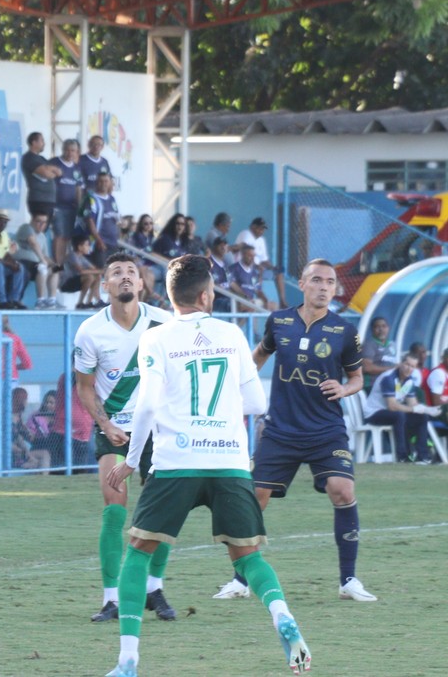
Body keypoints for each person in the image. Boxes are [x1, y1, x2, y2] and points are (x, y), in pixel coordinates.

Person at [104, 254, 311, 677]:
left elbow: (145, 408)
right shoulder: (232, 333)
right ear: (205, 295)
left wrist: (129, 462)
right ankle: (281, 616)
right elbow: (257, 403)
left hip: (176, 462)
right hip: (229, 461)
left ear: (169, 296)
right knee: (247, 556)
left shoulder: (156, 338)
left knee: (139, 553)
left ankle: (127, 661)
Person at [212, 258, 376, 604]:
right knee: (253, 500)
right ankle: (239, 579)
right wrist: (239, 388)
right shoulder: (279, 321)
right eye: (316, 280)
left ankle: (349, 580)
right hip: (281, 429)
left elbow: (357, 378)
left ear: (334, 289)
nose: (323, 287)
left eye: (329, 282)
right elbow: (258, 356)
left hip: (326, 429)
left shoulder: (345, 331)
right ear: (301, 284)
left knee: (343, 490)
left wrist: (344, 389)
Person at [74, 253, 175, 624]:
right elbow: (84, 388)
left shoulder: (164, 323)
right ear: (105, 286)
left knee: (163, 509)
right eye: (116, 272)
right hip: (115, 430)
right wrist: (104, 424)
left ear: (143, 283)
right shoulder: (89, 331)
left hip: (159, 430)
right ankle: (111, 599)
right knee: (114, 507)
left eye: (132, 271)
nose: (125, 277)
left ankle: (153, 589)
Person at [362, 353, 435, 464]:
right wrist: (414, 409)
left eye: (412, 366)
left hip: (391, 413)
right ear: (400, 364)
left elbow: (413, 404)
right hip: (374, 413)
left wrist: (425, 410)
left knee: (422, 417)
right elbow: (392, 406)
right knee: (400, 415)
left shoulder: (409, 380)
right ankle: (402, 457)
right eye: (407, 364)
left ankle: (423, 456)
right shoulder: (389, 378)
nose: (409, 368)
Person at [22, 132, 61, 256]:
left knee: (43, 230)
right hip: (38, 199)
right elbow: (47, 174)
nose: (44, 143)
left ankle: (41, 256)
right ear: (34, 142)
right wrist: (50, 170)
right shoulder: (29, 158)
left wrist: (51, 170)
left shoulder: (42, 159)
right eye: (42, 141)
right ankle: (33, 255)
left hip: (48, 200)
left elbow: (58, 171)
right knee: (37, 228)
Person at [234, 217, 287, 307]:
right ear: (253, 227)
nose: (261, 231)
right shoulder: (246, 234)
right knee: (259, 270)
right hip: (244, 266)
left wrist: (272, 267)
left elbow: (264, 260)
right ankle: (257, 297)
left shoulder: (261, 240)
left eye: (263, 229)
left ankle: (282, 300)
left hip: (257, 266)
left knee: (279, 272)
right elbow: (246, 256)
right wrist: (258, 266)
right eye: (259, 228)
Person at [13, 211, 60, 309]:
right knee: (42, 267)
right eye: (39, 221)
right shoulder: (26, 228)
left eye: (44, 222)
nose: (42, 225)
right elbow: (33, 243)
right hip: (24, 263)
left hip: (37, 264)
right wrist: (43, 260)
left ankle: (52, 300)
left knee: (57, 269)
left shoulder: (42, 236)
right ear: (32, 221)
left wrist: (54, 264)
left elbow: (45, 255)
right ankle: (40, 301)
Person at [50, 139, 83, 266]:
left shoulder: (76, 169)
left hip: (71, 209)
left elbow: (78, 189)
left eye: (73, 151)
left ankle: (62, 264)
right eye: (67, 150)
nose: (70, 153)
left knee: (67, 237)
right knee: (59, 235)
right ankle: (57, 264)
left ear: (77, 152)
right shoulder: (54, 163)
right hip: (57, 207)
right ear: (63, 150)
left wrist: (79, 208)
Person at [80, 172, 121, 268]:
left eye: (106, 181)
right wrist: (98, 240)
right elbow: (90, 221)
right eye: (101, 181)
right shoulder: (91, 199)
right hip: (100, 243)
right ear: (96, 183)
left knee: (114, 272)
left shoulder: (112, 199)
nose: (103, 183)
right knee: (101, 271)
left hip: (113, 242)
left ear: (110, 182)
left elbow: (116, 219)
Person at [228, 244, 276, 311]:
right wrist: (246, 298)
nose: (252, 258)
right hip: (238, 299)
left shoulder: (254, 272)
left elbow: (258, 290)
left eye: (253, 256)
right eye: (250, 256)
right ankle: (238, 322)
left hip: (251, 300)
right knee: (251, 306)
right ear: (243, 255)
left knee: (273, 306)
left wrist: (266, 301)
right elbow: (232, 286)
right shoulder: (234, 268)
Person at [60, 235, 102, 309]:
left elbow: (94, 269)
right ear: (79, 247)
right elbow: (81, 271)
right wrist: (102, 271)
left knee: (97, 276)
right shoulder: (72, 255)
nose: (89, 247)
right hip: (66, 284)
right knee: (90, 277)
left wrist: (100, 271)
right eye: (87, 245)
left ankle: (89, 302)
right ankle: (80, 303)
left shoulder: (82, 257)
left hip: (76, 282)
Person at [361, 316, 397, 389]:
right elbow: (366, 368)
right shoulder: (369, 344)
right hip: (373, 386)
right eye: (377, 327)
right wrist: (392, 369)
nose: (381, 329)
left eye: (384, 326)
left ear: (388, 328)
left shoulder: (392, 345)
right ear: (372, 330)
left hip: (391, 384)